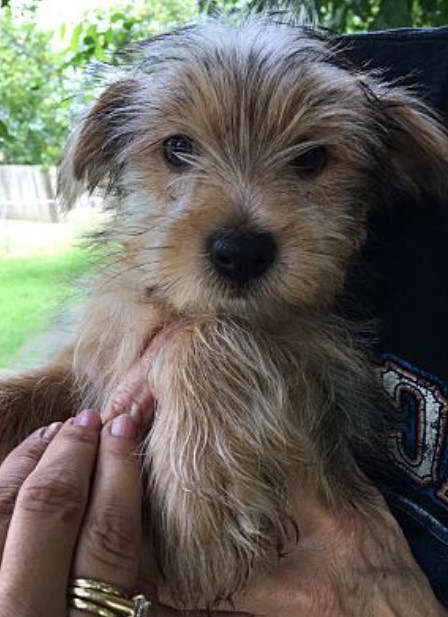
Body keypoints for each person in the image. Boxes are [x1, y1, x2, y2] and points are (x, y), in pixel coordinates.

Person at [1, 24, 448, 617]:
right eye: (178, 151)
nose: (242, 221)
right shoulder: (114, 301)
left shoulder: (328, 321)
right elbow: (80, 392)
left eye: (310, 160)